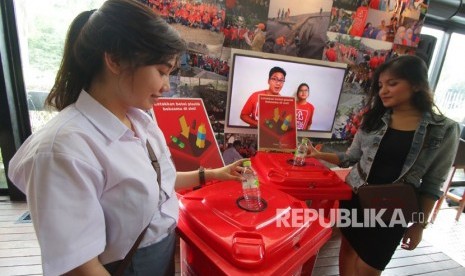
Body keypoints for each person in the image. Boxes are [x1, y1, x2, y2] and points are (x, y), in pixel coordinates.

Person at [7, 1, 246, 275]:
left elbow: (156, 183)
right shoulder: (63, 150)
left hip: (162, 253)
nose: (166, 87)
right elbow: (80, 267)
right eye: (161, 71)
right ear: (115, 60)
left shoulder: (140, 121)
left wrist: (214, 173)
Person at [307, 55, 460, 275]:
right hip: (356, 198)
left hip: (394, 211)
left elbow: (432, 184)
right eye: (380, 85)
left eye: (392, 83)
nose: (383, 91)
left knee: (370, 267)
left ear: (416, 84)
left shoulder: (443, 129)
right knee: (348, 254)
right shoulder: (373, 119)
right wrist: (317, 154)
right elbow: (352, 157)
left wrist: (418, 225)